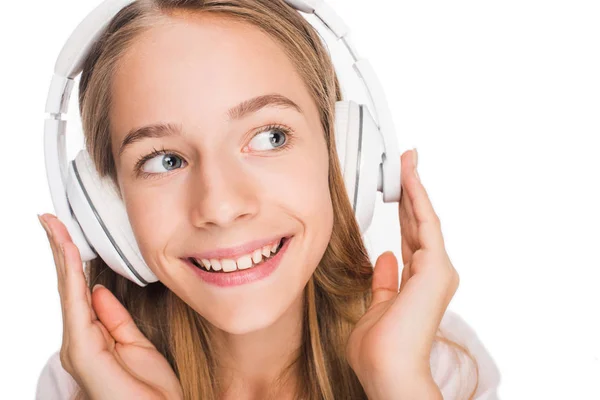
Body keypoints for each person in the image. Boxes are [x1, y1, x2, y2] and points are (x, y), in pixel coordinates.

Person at [35, 0, 501, 399]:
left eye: (270, 136)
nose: (220, 207)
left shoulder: (436, 364)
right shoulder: (83, 383)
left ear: (342, 154)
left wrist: (399, 383)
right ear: (105, 208)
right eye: (164, 160)